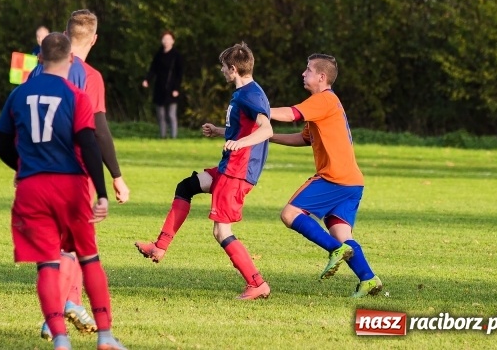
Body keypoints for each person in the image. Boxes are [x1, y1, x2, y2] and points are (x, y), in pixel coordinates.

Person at [0, 32, 126, 350]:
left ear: (39, 58)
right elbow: (89, 145)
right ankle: (105, 336)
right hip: (70, 187)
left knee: (47, 264)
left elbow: (0, 143)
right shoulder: (76, 96)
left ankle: (60, 338)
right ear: (70, 59)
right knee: (89, 259)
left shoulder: (19, 94)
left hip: (32, 188)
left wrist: (23, 167)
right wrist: (102, 192)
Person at [134, 42, 274, 300]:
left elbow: (266, 129)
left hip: (237, 172)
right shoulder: (244, 93)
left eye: (223, 67)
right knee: (186, 186)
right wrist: (220, 132)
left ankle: (257, 283)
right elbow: (245, 128)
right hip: (228, 167)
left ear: (233, 69)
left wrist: (239, 143)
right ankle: (159, 247)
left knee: (221, 232)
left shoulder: (251, 95)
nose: (221, 70)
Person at [28, 10, 130, 340]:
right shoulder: (89, 75)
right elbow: (98, 130)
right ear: (95, 39)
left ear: (65, 33)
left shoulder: (38, 69)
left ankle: (71, 302)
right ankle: (57, 312)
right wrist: (116, 176)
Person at [267, 53, 382, 298]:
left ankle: (334, 249)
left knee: (290, 214)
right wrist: (268, 136)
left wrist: (258, 108)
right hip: (352, 182)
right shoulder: (324, 104)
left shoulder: (324, 99)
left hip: (334, 177)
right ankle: (369, 279)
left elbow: (290, 114)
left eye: (308, 69)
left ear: (321, 77)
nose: (303, 73)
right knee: (342, 234)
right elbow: (303, 138)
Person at [142, 31, 184, 138]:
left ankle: (173, 137)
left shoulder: (176, 55)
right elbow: (153, 69)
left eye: (168, 39)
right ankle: (163, 136)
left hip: (172, 88)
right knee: (161, 115)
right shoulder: (158, 54)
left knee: (171, 114)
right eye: (164, 39)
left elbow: (179, 74)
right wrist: (147, 80)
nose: (166, 41)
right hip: (159, 87)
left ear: (173, 41)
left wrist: (176, 88)